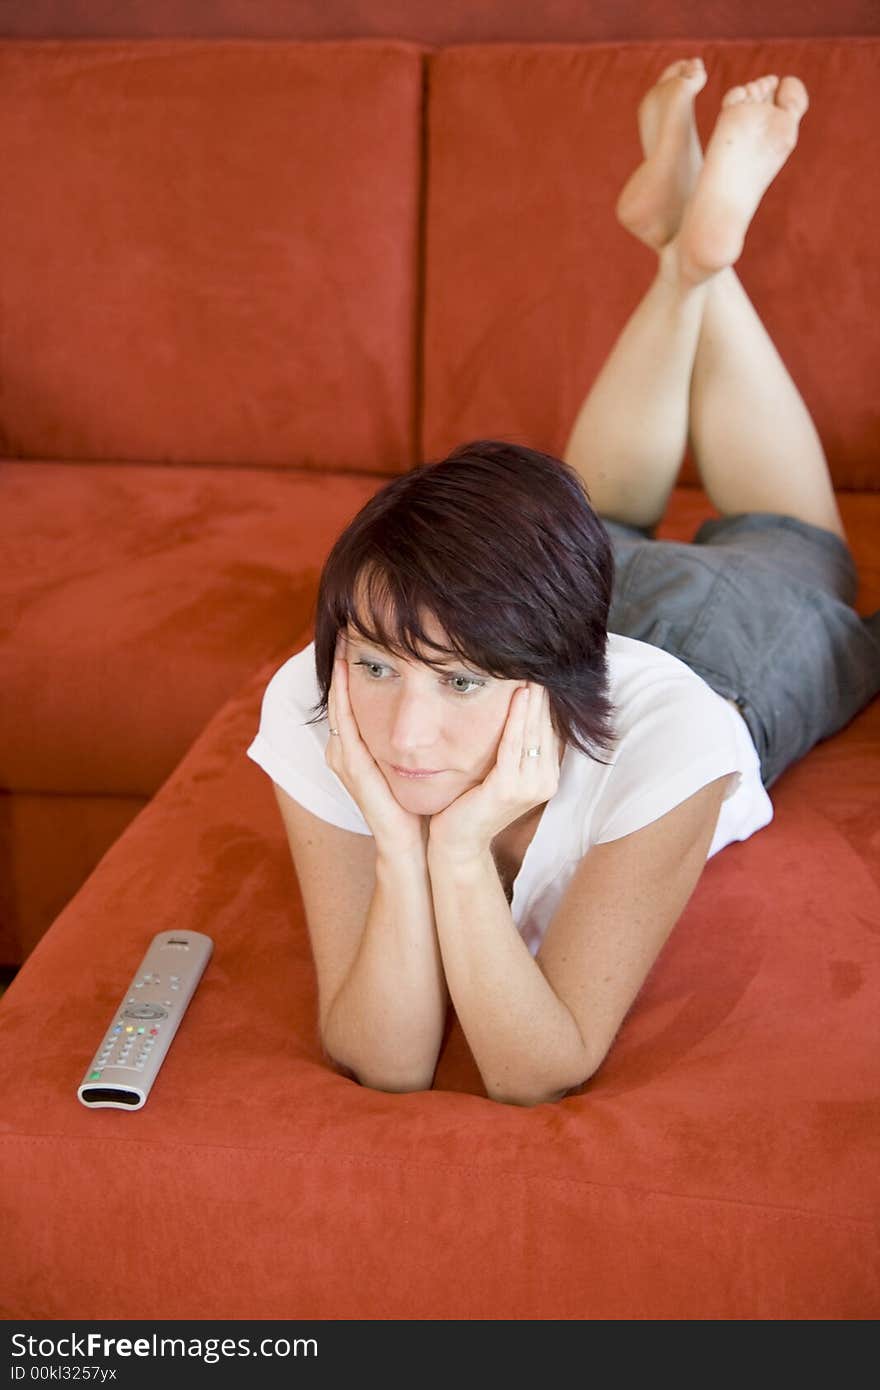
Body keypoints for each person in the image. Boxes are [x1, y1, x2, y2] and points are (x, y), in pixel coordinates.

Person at [247, 61, 880, 1107]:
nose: (402, 737)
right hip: (509, 603)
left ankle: (698, 262)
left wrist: (452, 856)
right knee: (596, 518)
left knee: (795, 539)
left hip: (714, 641)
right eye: (374, 665)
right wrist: (416, 852)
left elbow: (537, 1065)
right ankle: (690, 256)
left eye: (454, 687)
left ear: (531, 677)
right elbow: (386, 1056)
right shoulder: (316, 692)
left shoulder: (671, 739)